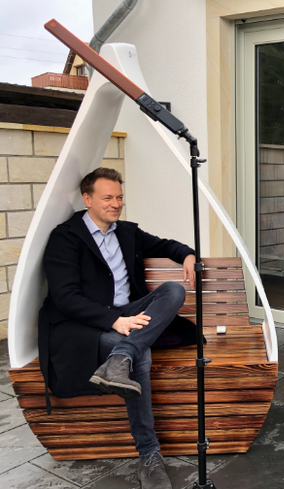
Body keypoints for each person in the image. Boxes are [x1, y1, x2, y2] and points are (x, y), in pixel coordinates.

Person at [39, 168, 198, 489]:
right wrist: (114, 321)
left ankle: (119, 359)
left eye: (120, 197)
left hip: (129, 313)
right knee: (142, 355)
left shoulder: (126, 232)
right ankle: (150, 456)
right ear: (87, 199)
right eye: (107, 198)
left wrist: (188, 255)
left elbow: (167, 245)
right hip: (87, 324)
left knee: (173, 291)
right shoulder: (65, 237)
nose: (116, 204)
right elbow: (65, 298)